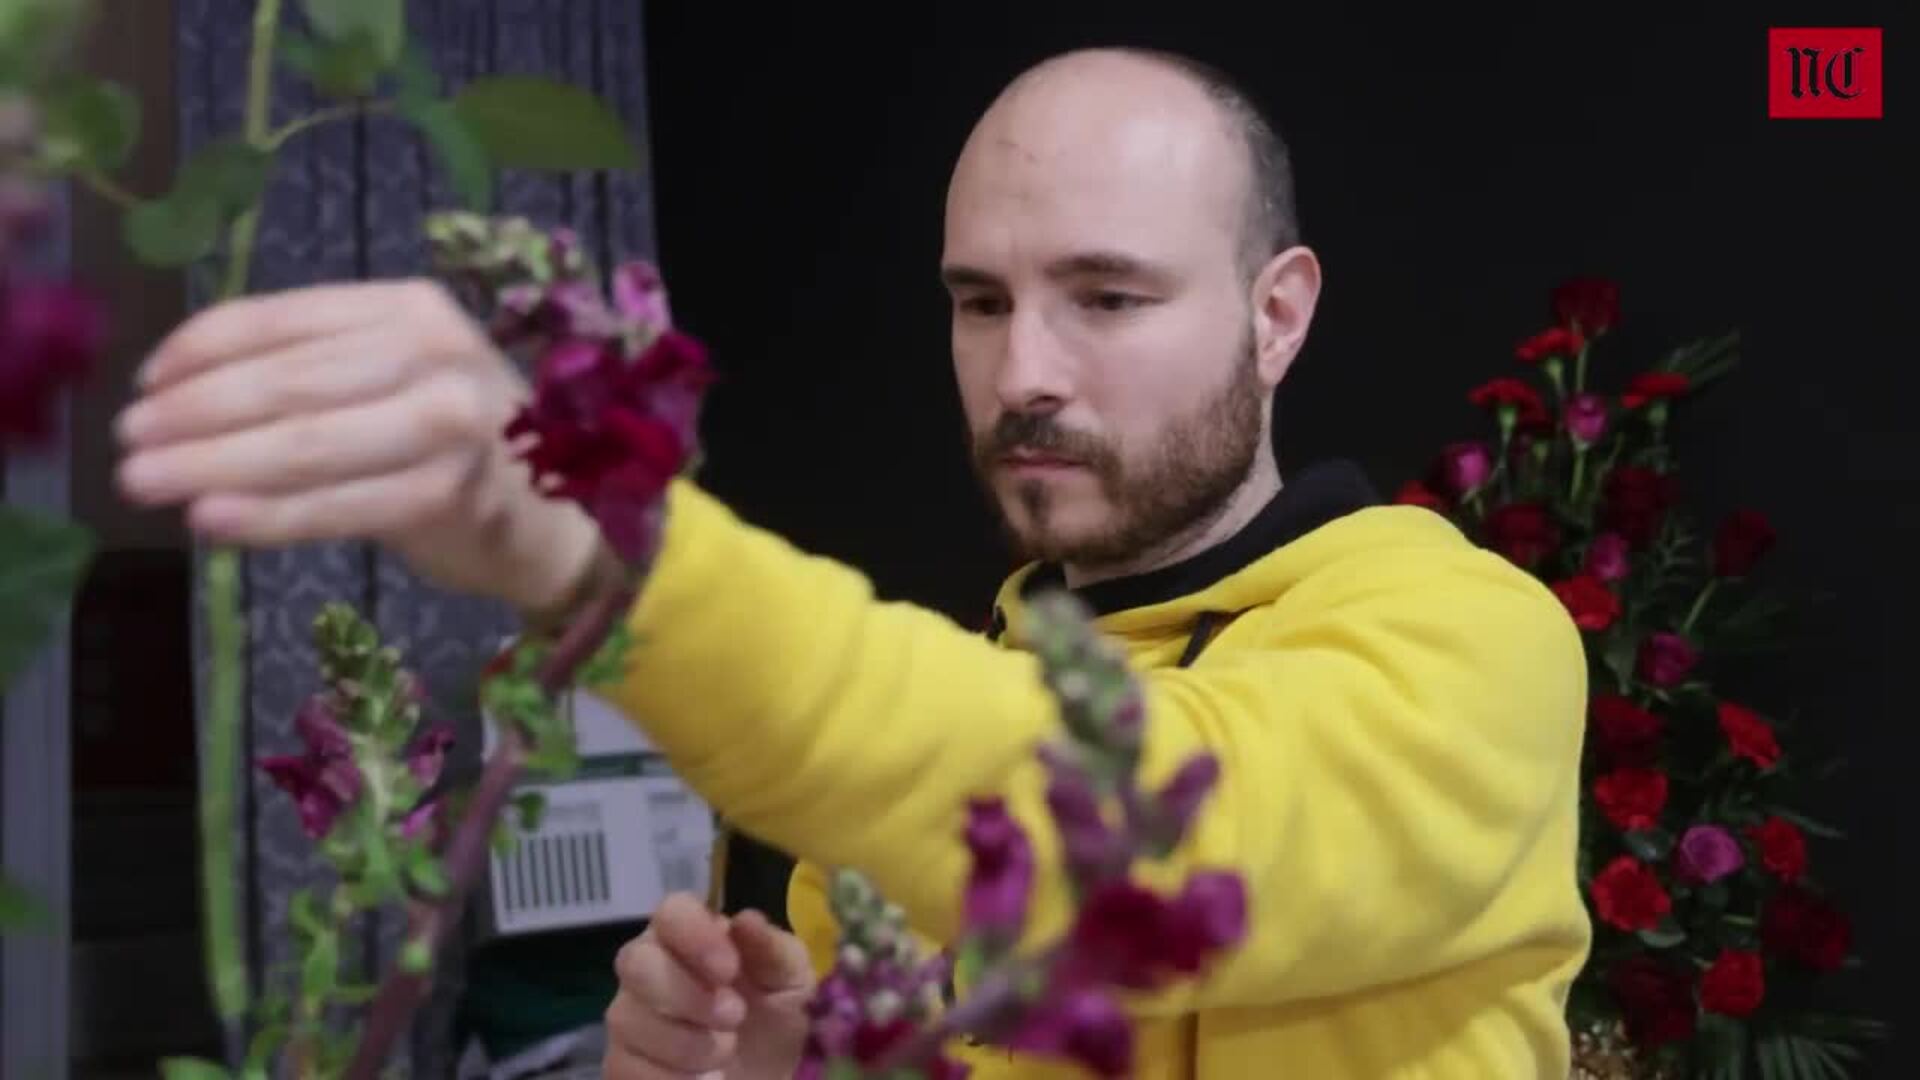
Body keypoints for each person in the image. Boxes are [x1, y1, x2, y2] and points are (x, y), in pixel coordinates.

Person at [115, 45, 1591, 1080]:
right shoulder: (915, 758)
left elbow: (1158, 835)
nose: (1024, 372)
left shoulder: (1473, 644)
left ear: (1276, 317)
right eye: (978, 301)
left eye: (1106, 295)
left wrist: (613, 555)